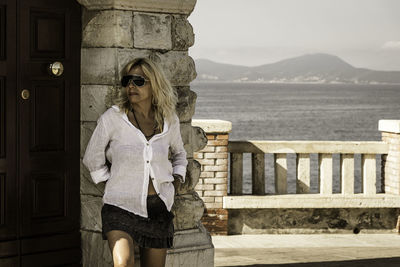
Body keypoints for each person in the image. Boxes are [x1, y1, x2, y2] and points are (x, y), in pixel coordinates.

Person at [83, 57, 187, 267]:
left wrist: (176, 181)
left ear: (154, 84)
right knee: (123, 263)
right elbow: (92, 158)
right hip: (119, 206)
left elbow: (179, 154)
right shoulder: (113, 118)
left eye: (138, 81)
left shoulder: (169, 120)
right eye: (127, 80)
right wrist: (112, 183)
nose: (131, 85)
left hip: (158, 207)